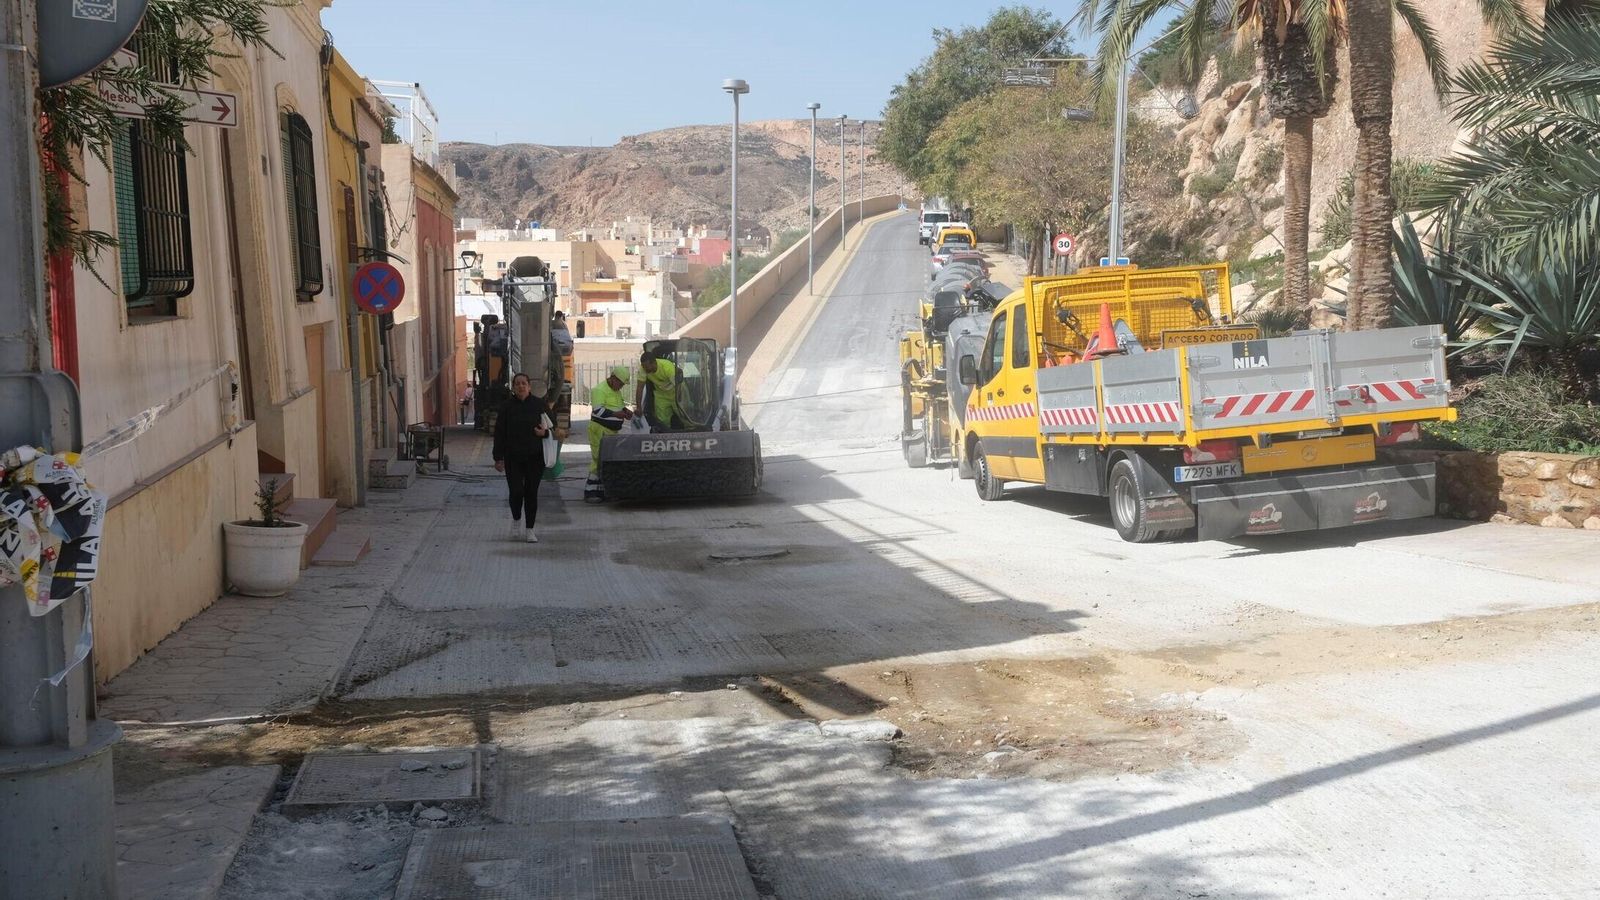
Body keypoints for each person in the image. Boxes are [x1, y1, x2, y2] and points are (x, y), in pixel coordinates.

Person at [492, 373, 549, 543]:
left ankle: (530, 529)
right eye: (517, 384)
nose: (521, 386)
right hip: (513, 458)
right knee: (516, 492)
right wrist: (498, 458)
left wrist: (544, 433)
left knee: (531, 493)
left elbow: (555, 430)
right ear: (513, 387)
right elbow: (499, 433)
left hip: (535, 458)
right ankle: (517, 521)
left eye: (524, 383)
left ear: (529, 386)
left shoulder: (540, 405)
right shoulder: (506, 407)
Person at [586, 365, 632, 503]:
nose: (621, 386)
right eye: (620, 383)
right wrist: (616, 414)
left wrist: (625, 411)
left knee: (607, 459)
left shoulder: (616, 391)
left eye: (623, 384)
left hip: (611, 431)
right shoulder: (599, 390)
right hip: (599, 429)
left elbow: (618, 405)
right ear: (613, 378)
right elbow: (598, 411)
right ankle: (590, 492)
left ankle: (601, 490)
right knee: (598, 459)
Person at [636, 350, 680, 430]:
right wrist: (639, 407)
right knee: (662, 419)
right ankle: (665, 435)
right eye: (643, 366)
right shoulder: (643, 369)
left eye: (646, 366)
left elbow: (679, 387)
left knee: (684, 414)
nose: (644, 369)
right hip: (661, 394)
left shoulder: (667, 367)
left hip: (676, 393)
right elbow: (639, 388)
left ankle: (694, 433)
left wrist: (681, 401)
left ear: (654, 363)